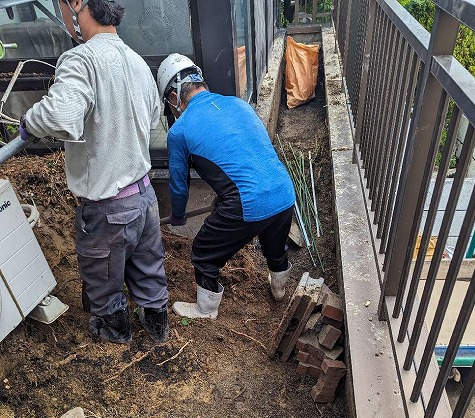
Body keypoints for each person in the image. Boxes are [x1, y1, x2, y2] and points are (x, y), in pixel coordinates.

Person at [18, 0, 169, 344]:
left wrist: (30, 121)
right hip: (144, 198)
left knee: (102, 276)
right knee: (148, 266)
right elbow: (150, 119)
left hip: (107, 208)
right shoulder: (136, 62)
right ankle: (157, 328)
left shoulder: (81, 59)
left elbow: (59, 115)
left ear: (77, 4)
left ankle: (115, 334)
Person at [157, 54, 296, 320]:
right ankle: (279, 291)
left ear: (174, 97)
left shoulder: (180, 130)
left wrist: (177, 215)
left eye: (170, 105)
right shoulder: (238, 104)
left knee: (204, 252)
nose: (172, 111)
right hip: (283, 191)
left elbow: (178, 185)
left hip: (248, 201)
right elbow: (247, 156)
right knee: (274, 247)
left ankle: (206, 310)